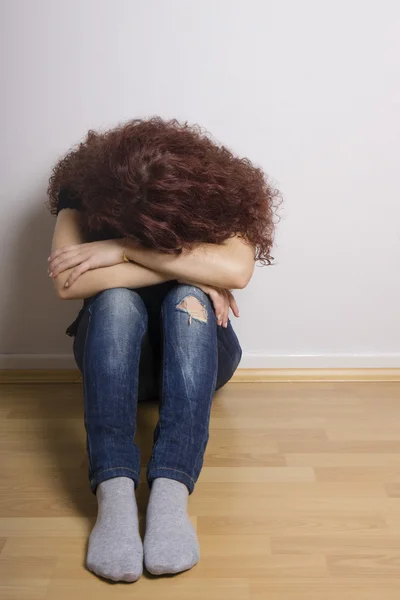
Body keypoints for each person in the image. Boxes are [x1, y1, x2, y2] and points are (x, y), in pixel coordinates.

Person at [47, 118, 279, 582]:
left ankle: (171, 492)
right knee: (115, 302)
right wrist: (189, 267)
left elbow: (236, 271)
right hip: (116, 366)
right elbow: (71, 285)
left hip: (200, 358)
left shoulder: (220, 198)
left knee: (186, 300)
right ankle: (113, 492)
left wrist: (121, 251)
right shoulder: (79, 201)